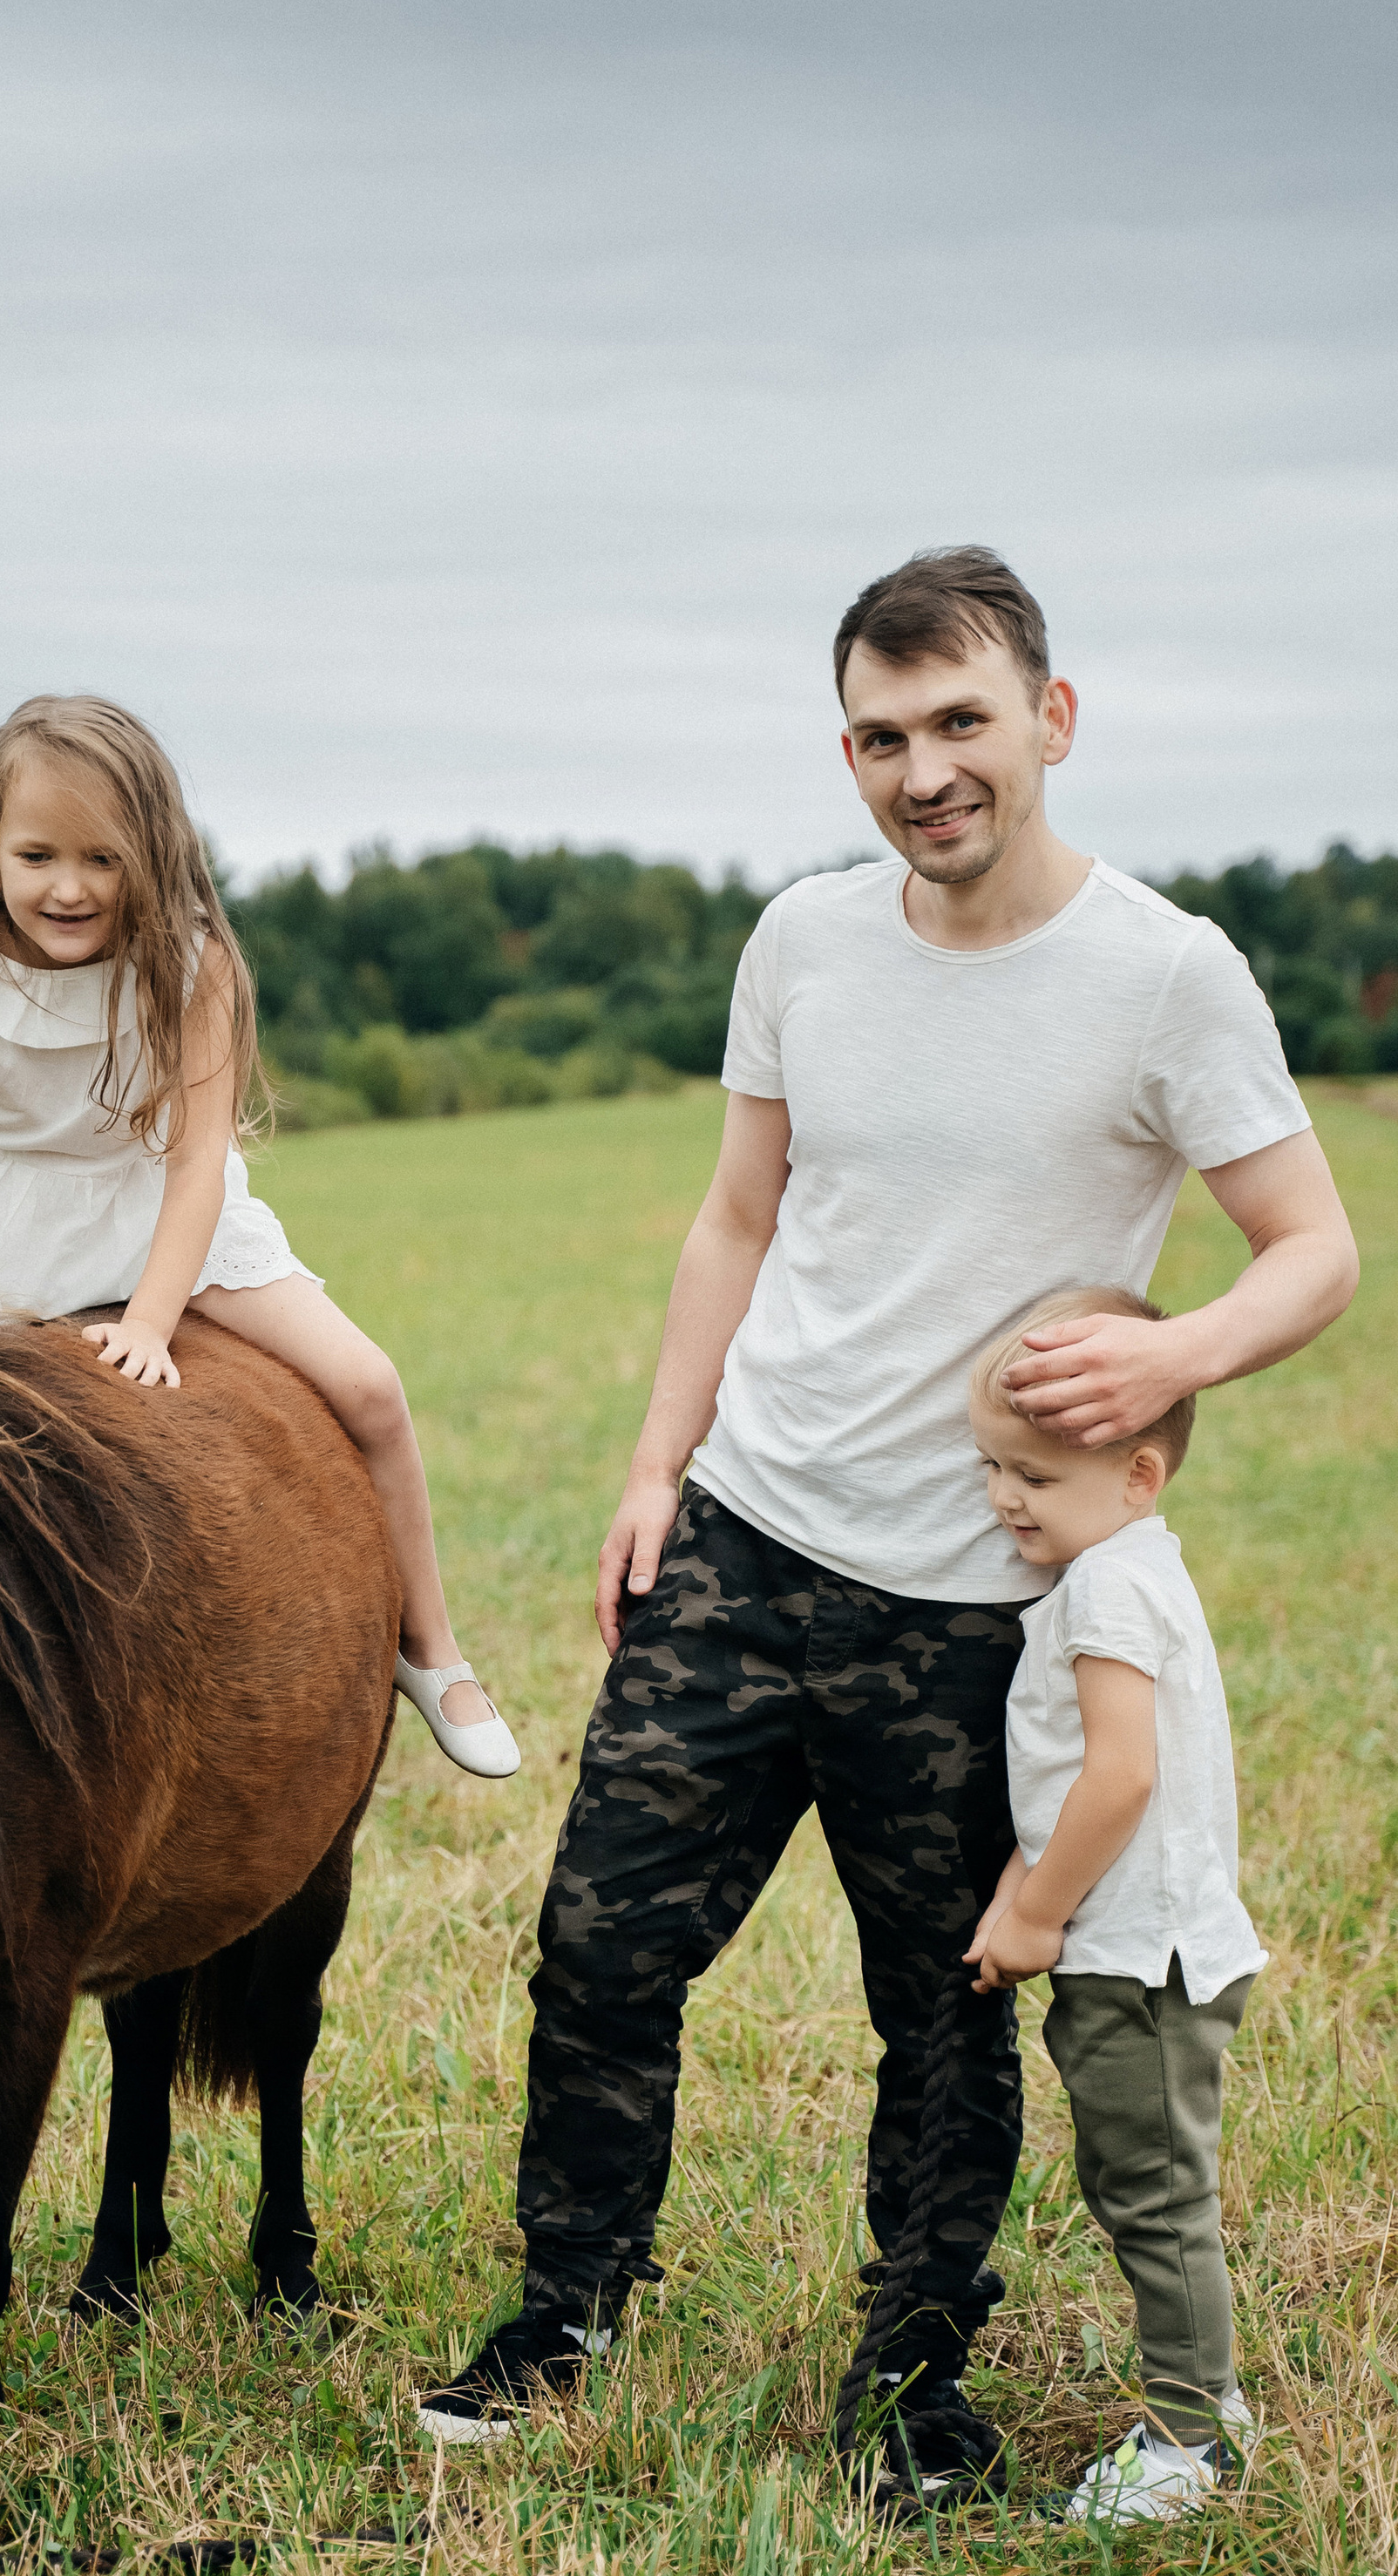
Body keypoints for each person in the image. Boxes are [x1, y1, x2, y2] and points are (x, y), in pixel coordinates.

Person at [417, 543, 1356, 2472]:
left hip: (977, 1600)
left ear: (1050, 721)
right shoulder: (803, 942)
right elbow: (734, 1216)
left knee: (940, 2011)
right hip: (747, 1534)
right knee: (601, 1947)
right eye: (877, 736)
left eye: (958, 722)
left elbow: (1315, 1249)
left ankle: (914, 2377)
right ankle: (565, 2309)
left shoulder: (1168, 975)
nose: (922, 771)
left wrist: (1172, 1358)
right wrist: (653, 1465)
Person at [0, 691, 518, 1776]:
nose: (68, 887)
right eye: (37, 856)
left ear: (154, 856)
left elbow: (196, 1161)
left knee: (370, 1388)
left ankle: (431, 1647)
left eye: (102, 859)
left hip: (165, 1216)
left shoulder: (191, 966)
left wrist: (150, 1320)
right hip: (2, 1236)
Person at [965, 1289, 1262, 2521]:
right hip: (1150, 1950)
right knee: (1143, 2181)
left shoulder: (1101, 1590)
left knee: (1156, 2198)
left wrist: (1037, 1913)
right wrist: (1020, 1884)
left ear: (1140, 1473)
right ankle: (1207, 2407)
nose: (1004, 1498)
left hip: (1140, 1961)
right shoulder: (1134, 1568)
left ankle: (1191, 2443)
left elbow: (1120, 1774)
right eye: (990, 1468)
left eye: (1033, 1474)